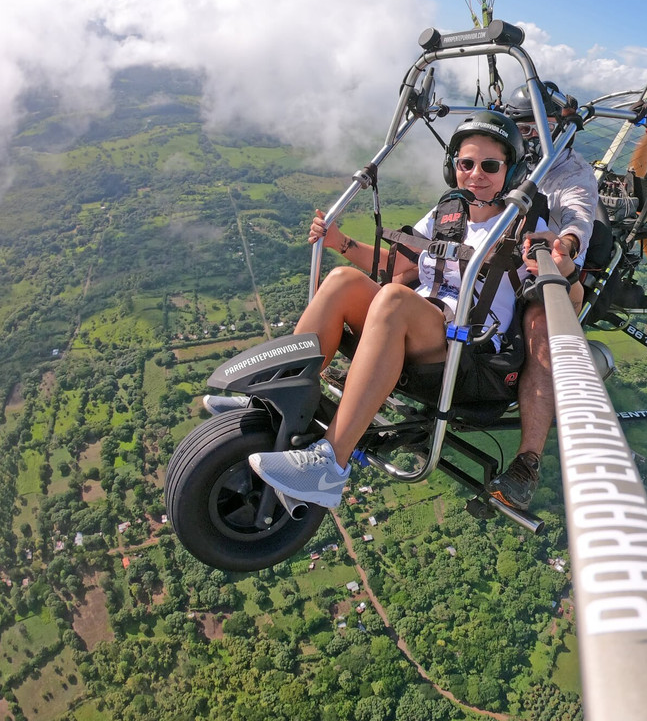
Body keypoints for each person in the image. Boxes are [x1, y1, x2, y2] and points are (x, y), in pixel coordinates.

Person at [247, 111, 577, 509]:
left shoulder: (528, 226)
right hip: (420, 323)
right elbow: (399, 264)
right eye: (465, 163)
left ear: (511, 170)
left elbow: (564, 301)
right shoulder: (448, 214)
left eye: (490, 165)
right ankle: (272, 406)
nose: (475, 174)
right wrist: (342, 243)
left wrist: (564, 267)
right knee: (341, 281)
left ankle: (328, 466)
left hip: (468, 353)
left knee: (393, 299)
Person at [485, 82, 599, 512]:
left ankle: (527, 462)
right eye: (523, 127)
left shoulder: (570, 173)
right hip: (492, 259)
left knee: (540, 325)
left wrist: (564, 242)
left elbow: (576, 214)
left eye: (542, 128)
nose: (532, 136)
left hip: (544, 270)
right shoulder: (505, 159)